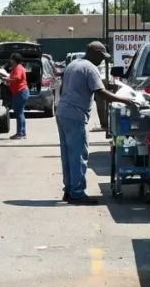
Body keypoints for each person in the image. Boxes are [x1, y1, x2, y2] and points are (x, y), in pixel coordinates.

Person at [56, 41, 137, 204]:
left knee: (68, 154)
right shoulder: (90, 68)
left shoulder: (73, 64)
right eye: (102, 56)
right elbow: (100, 92)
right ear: (94, 54)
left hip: (62, 112)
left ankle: (69, 189)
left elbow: (62, 88)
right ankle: (77, 193)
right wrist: (125, 100)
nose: (102, 60)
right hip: (75, 114)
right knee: (78, 154)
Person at [5, 53, 29, 139]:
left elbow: (16, 78)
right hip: (21, 92)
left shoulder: (18, 68)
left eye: (12, 60)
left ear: (15, 60)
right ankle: (22, 132)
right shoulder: (17, 68)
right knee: (21, 113)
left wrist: (6, 79)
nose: (11, 61)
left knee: (19, 113)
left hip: (20, 92)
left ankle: (20, 133)